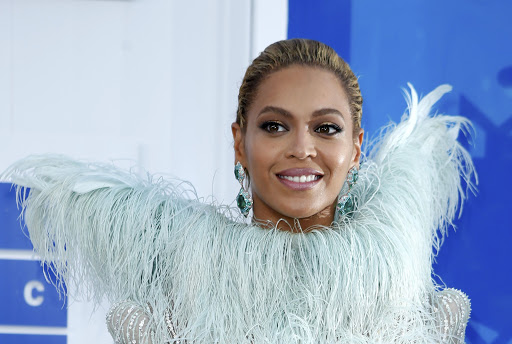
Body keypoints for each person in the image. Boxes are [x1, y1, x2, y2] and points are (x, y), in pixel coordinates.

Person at [2, 39, 474, 343]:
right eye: (275, 126)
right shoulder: (171, 309)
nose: (302, 148)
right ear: (240, 143)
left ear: (355, 149)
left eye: (325, 128)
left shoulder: (414, 304)